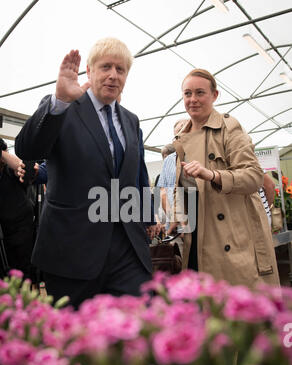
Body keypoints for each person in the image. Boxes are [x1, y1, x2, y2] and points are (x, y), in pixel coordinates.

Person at [15, 38, 157, 308]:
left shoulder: (130, 119)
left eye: (120, 69)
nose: (113, 75)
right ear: (89, 71)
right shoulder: (63, 107)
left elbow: (134, 177)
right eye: (106, 67)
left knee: (137, 329)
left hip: (126, 249)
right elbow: (27, 147)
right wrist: (59, 101)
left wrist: (146, 218)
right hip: (72, 250)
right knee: (78, 339)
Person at [170, 68, 279, 288]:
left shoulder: (229, 128)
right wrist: (176, 215)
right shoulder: (181, 137)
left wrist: (212, 174)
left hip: (232, 239)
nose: (193, 99)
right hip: (196, 238)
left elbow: (254, 177)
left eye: (200, 93)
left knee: (236, 311)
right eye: (187, 94)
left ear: (214, 95)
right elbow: (181, 188)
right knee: (206, 310)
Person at [0, 139, 35, 279]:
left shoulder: (12, 170)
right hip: (0, 232)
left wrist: (1, 153)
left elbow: (21, 167)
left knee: (23, 271)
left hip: (21, 231)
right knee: (2, 270)